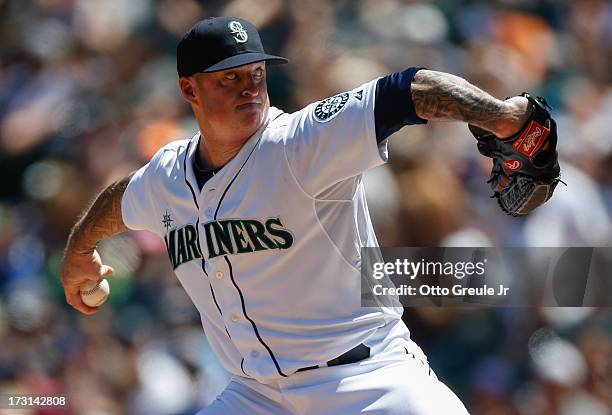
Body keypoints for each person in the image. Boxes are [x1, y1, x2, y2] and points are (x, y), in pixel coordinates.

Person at [61, 16, 533, 415]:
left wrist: (503, 117)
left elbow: (407, 90)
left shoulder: (300, 142)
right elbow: (121, 199)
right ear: (190, 89)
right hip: (257, 395)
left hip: (367, 380)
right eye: (230, 77)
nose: (249, 87)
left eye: (256, 74)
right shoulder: (168, 175)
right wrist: (79, 249)